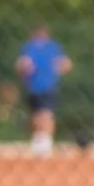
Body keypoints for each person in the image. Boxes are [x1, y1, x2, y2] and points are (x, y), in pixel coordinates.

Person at [15, 24, 72, 157]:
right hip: (35, 87)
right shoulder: (31, 47)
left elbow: (66, 64)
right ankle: (40, 141)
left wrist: (55, 70)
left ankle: (45, 143)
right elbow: (22, 65)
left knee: (45, 114)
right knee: (37, 115)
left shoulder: (51, 47)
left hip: (47, 86)